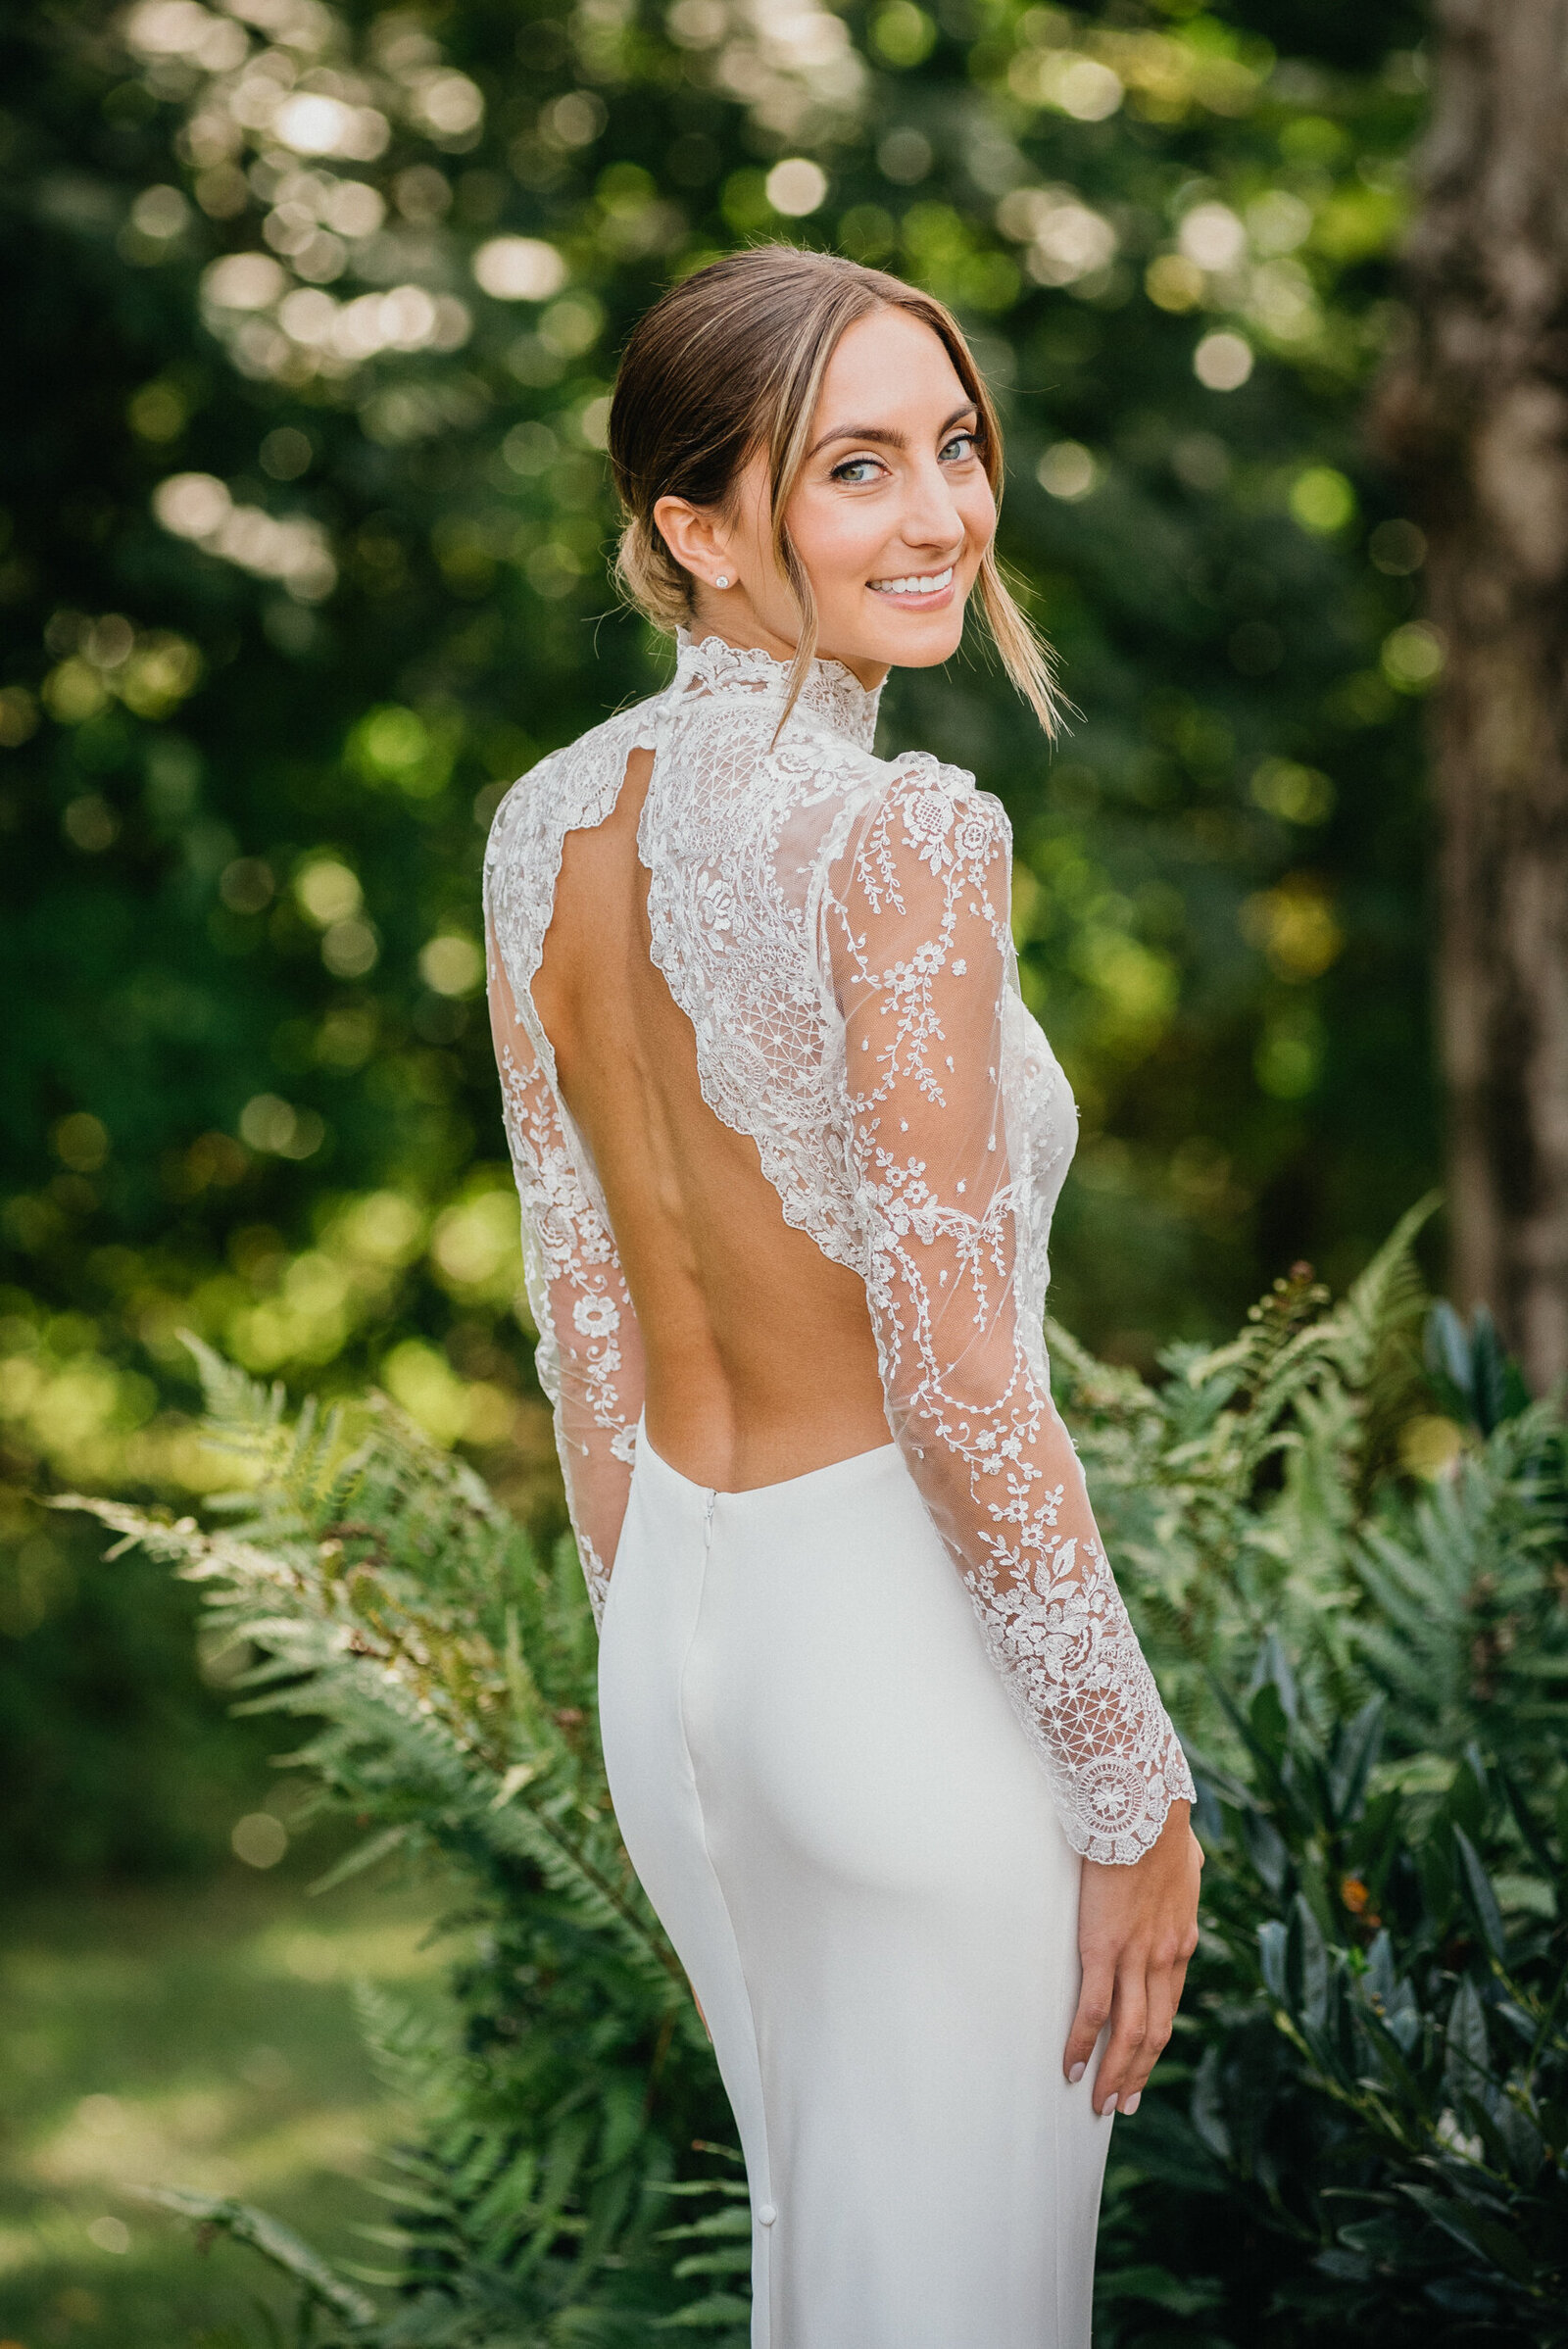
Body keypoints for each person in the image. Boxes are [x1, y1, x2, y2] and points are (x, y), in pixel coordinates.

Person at [484, 244, 1201, 2349]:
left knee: (832, 2283)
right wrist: (1130, 1785)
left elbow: (581, 1321)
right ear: (690, 531)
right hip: (902, 1672)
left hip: (688, 1671)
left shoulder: (542, 829)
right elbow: (962, 1377)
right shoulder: (901, 837)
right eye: (851, 469)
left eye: (951, 447)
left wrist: (680, 1670)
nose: (937, 517)